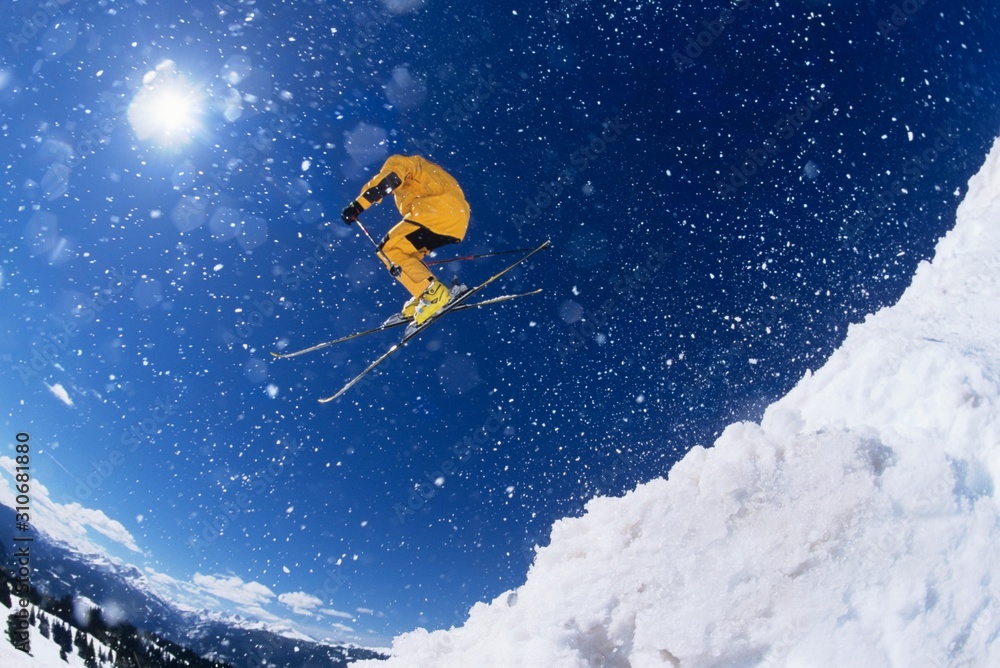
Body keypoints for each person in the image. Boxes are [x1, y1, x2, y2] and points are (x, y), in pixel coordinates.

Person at [342, 154, 471, 324]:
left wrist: (358, 205)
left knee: (388, 249)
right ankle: (423, 292)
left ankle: (433, 292)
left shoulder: (402, 163)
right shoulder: (428, 173)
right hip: (456, 221)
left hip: (436, 211)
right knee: (407, 254)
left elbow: (389, 179)